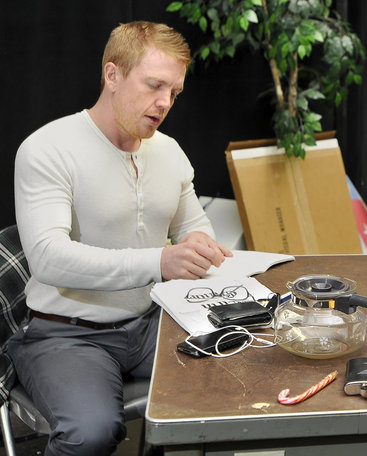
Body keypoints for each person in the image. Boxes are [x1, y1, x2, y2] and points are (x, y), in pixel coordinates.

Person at [9, 21, 231, 455]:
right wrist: (159, 262)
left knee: (236, 380)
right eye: (154, 86)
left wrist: (205, 252)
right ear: (112, 75)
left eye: (175, 92)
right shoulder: (48, 149)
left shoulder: (168, 151)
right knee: (91, 433)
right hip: (66, 334)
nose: (165, 102)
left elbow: (194, 232)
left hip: (152, 323)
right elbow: (49, 260)